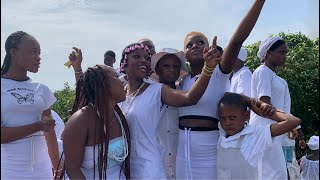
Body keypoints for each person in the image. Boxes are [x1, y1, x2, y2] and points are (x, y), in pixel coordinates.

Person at [176, 0, 266, 179]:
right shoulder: (181, 81)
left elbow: (237, 41)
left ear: (208, 49)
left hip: (210, 153)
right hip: (182, 154)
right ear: (184, 54)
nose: (194, 46)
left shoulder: (219, 73)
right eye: (189, 45)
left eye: (200, 43)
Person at [118, 35, 221, 179]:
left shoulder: (157, 91)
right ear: (124, 63)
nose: (143, 61)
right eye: (136, 56)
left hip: (155, 168)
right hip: (126, 168)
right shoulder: (120, 95)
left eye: (147, 58)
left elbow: (190, 97)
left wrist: (208, 68)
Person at [1, 31, 61, 179]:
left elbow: (50, 133)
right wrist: (38, 126)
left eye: (39, 53)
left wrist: (57, 167)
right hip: (8, 169)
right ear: (13, 52)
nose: (38, 57)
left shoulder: (42, 89)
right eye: (33, 52)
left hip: (43, 170)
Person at [62, 65, 131, 179]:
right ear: (102, 84)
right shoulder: (80, 120)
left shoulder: (119, 116)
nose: (123, 81)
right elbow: (72, 169)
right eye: (116, 76)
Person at [217, 92, 301, 179]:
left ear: (246, 116)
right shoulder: (222, 133)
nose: (227, 123)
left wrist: (254, 105)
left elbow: (294, 121)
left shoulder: (255, 134)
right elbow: (225, 93)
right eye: (223, 118)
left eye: (232, 117)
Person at [250, 36, 295, 179]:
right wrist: (288, 123)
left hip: (276, 129)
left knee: (279, 172)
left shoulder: (280, 80)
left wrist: (289, 126)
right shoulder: (262, 71)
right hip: (264, 129)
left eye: (286, 53)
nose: (285, 56)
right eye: (282, 52)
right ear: (269, 53)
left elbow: (283, 107)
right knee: (268, 174)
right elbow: (265, 106)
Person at [151, 48, 187, 179]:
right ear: (157, 69)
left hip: (180, 158)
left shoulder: (185, 94)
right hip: (156, 160)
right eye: (166, 66)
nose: (171, 69)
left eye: (176, 66)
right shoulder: (149, 95)